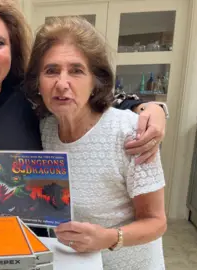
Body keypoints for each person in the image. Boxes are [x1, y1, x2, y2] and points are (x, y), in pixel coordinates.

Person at [0, 0, 167, 234]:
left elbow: (101, 98)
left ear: (13, 49)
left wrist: (151, 109)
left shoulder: (34, 96)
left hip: (29, 248)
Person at [24, 16, 166, 269]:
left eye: (76, 70)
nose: (62, 83)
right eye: (51, 70)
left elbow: (156, 222)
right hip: (74, 263)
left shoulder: (131, 132)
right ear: (38, 82)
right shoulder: (44, 129)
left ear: (95, 82)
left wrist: (110, 238)